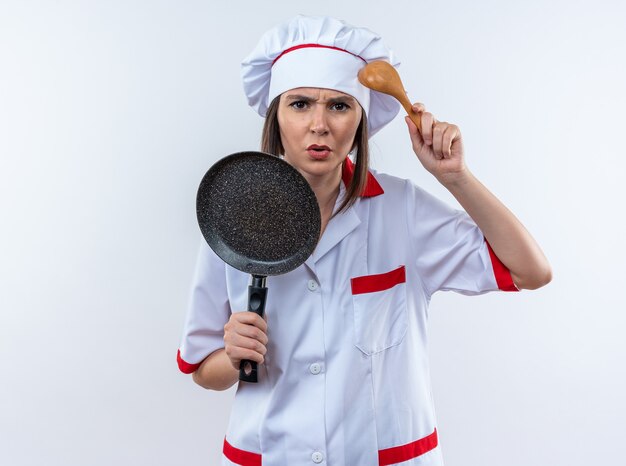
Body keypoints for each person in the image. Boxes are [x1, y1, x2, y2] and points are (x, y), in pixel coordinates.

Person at [177, 15, 551, 466]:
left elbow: (530, 272)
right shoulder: (234, 217)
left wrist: (456, 178)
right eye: (299, 104)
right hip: (268, 454)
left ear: (361, 120)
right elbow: (202, 370)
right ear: (276, 115)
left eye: (339, 105)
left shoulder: (402, 210)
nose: (319, 124)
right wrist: (233, 357)